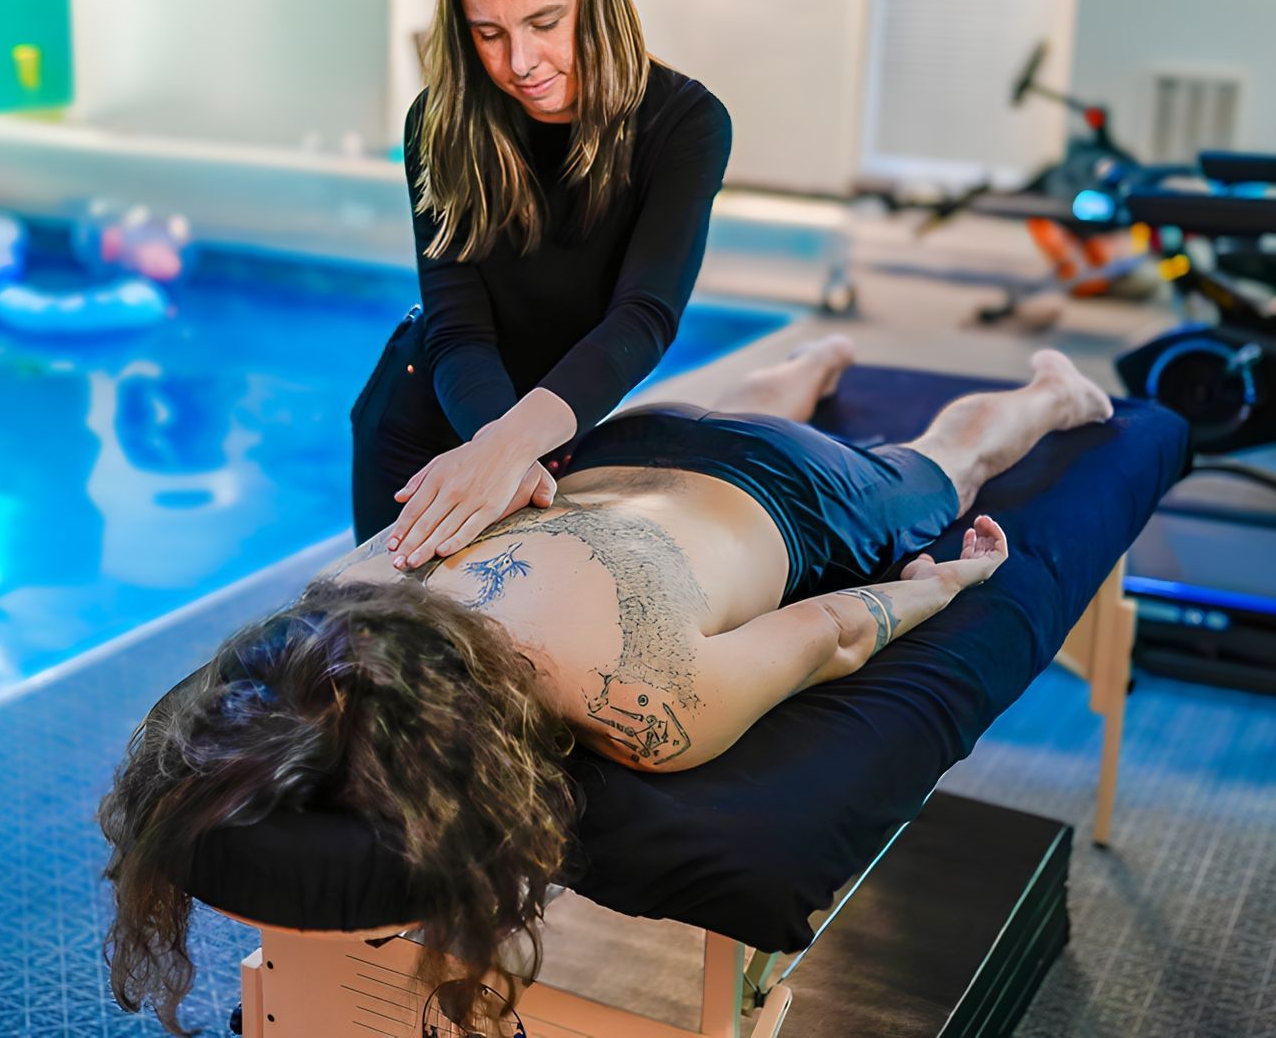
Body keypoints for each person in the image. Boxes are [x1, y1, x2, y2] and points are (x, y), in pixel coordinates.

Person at [100, 342, 1113, 1036]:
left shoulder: (647, 706)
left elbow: (832, 632)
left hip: (800, 488)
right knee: (741, 416)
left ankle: (1056, 395)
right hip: (609, 445)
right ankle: (802, 371)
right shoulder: (345, 598)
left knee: (952, 460)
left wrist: (940, 587)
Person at [352, 0, 733, 573]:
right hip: (427, 429)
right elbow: (459, 325)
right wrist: (501, 452)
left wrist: (507, 450)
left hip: (545, 430)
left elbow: (643, 315)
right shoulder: (438, 124)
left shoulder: (685, 123)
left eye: (544, 22)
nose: (520, 63)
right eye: (488, 33)